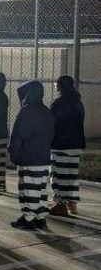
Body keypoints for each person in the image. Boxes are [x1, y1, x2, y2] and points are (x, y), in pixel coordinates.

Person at [8, 80, 55, 230]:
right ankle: (40, 217)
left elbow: (18, 136)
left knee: (28, 188)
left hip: (29, 156)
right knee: (40, 189)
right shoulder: (46, 111)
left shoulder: (27, 112)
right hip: (43, 156)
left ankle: (28, 217)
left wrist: (14, 153)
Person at [49, 75, 85, 216]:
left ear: (61, 86)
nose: (55, 86)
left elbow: (53, 123)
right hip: (76, 144)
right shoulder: (78, 103)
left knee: (59, 175)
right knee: (71, 175)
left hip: (61, 145)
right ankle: (72, 203)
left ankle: (61, 204)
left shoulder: (58, 103)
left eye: (57, 84)